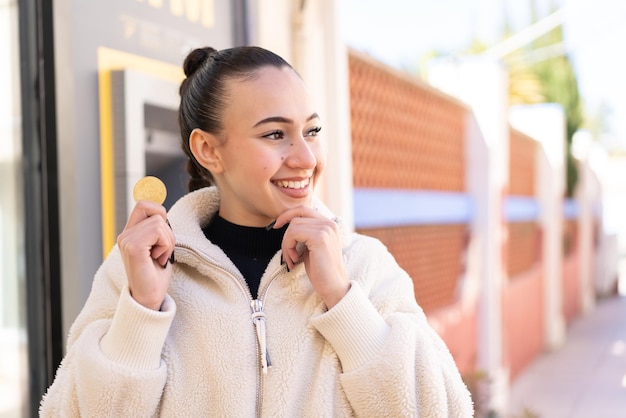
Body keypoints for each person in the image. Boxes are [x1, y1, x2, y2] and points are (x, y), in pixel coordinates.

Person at [40, 45, 473, 417]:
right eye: (275, 134)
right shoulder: (136, 272)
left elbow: (440, 408)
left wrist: (342, 299)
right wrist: (143, 312)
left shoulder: (363, 264)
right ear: (208, 149)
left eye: (312, 130)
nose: (305, 157)